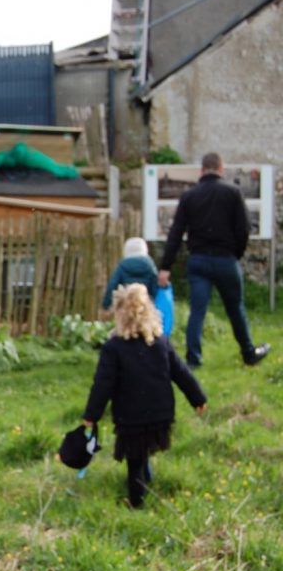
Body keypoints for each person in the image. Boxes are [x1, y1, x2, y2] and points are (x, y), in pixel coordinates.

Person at [83, 284, 207, 508]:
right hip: (160, 413)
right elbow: (182, 373)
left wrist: (92, 415)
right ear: (149, 312)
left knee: (134, 461)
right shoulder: (160, 343)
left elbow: (103, 385)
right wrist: (198, 399)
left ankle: (136, 502)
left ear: (120, 314)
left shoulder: (114, 348)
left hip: (131, 417)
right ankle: (146, 481)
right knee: (142, 451)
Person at [158, 152, 270, 368]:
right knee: (235, 307)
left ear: (202, 170)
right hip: (225, 259)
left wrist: (166, 266)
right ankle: (248, 352)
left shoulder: (189, 196)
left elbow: (176, 232)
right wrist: (236, 253)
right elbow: (244, 228)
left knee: (197, 311)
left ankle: (193, 359)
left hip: (198, 260)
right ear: (221, 168)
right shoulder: (233, 193)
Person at [102, 237, 158, 310]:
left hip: (127, 304)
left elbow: (112, 285)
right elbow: (155, 284)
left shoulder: (122, 266)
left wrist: (106, 303)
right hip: (145, 303)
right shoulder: (150, 266)